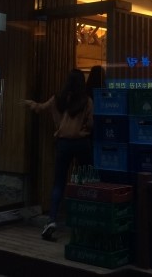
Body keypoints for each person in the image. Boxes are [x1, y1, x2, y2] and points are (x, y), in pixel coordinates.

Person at [24, 68, 94, 240]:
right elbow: (91, 124)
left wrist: (30, 103)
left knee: (58, 183)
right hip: (81, 143)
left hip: (63, 144)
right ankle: (84, 219)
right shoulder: (87, 101)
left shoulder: (58, 99)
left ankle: (52, 220)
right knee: (86, 181)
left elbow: (41, 107)